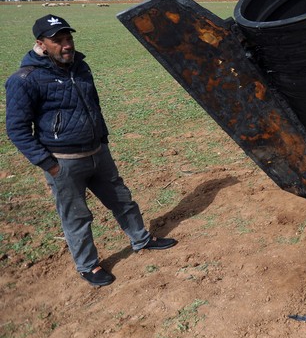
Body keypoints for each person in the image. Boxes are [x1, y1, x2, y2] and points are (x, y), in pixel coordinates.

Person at [5, 15, 177, 287]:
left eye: (68, 38)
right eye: (57, 40)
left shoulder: (80, 67)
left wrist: (103, 140)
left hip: (98, 152)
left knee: (122, 200)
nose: (66, 45)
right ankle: (88, 266)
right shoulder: (25, 79)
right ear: (41, 44)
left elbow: (93, 106)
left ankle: (141, 239)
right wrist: (48, 164)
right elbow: (17, 129)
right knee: (77, 217)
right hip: (64, 163)